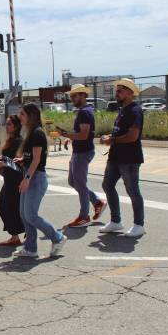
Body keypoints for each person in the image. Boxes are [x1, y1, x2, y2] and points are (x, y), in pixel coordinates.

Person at [14, 103, 67, 257]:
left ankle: (58, 237)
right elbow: (31, 157)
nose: (19, 117)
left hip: (36, 178)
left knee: (31, 215)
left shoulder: (37, 134)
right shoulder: (30, 133)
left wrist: (27, 179)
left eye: (22, 114)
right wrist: (22, 160)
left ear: (30, 116)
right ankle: (30, 248)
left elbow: (37, 160)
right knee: (24, 214)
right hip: (29, 175)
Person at [99, 78, 146, 238]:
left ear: (130, 93)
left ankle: (139, 225)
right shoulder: (123, 110)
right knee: (107, 185)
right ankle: (115, 221)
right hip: (116, 157)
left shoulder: (135, 111)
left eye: (120, 90)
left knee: (132, 190)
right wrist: (110, 136)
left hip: (130, 158)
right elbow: (120, 132)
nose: (116, 93)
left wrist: (112, 139)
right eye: (117, 90)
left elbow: (133, 136)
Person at [58, 84, 107, 228]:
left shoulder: (84, 112)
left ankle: (84, 216)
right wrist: (70, 137)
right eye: (71, 96)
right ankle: (97, 202)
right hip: (79, 151)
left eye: (75, 96)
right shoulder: (84, 111)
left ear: (83, 95)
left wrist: (66, 135)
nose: (72, 98)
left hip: (82, 152)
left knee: (79, 183)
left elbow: (84, 135)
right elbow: (81, 133)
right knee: (73, 182)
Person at [0, 115, 25, 246]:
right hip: (9, 178)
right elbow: (8, 157)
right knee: (7, 207)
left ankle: (17, 234)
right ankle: (16, 235)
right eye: (6, 124)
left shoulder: (18, 141)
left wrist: (3, 164)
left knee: (7, 207)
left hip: (15, 178)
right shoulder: (11, 140)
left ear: (16, 126)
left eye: (10, 124)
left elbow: (18, 162)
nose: (7, 126)